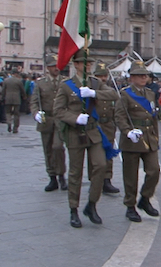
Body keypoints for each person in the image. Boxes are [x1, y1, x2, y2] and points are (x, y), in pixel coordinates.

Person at [53, 49, 118, 228]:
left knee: (100, 165)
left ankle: (92, 204)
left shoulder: (95, 83)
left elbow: (113, 94)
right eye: (85, 63)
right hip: (75, 133)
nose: (88, 65)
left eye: (90, 63)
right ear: (76, 65)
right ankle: (73, 209)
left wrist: (94, 94)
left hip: (93, 132)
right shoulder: (66, 85)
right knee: (75, 173)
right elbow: (58, 110)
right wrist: (74, 118)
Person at [115, 61, 160, 222]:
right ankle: (130, 206)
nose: (144, 77)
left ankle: (145, 199)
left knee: (154, 170)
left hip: (148, 138)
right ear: (132, 77)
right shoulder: (125, 94)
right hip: (132, 140)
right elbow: (119, 116)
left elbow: (153, 116)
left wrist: (156, 136)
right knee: (130, 176)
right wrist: (128, 132)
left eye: (145, 75)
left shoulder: (150, 94)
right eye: (140, 75)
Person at [30, 54, 67, 192]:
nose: (56, 68)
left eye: (57, 66)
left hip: (60, 120)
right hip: (46, 120)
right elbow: (34, 101)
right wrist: (36, 113)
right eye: (53, 66)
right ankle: (52, 177)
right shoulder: (41, 83)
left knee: (58, 147)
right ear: (48, 68)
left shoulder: (65, 81)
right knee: (48, 149)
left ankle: (62, 175)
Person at [93, 62, 120, 194]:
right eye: (100, 76)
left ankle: (107, 180)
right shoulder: (91, 91)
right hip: (95, 125)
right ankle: (95, 180)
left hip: (108, 125)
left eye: (104, 76)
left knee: (108, 153)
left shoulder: (110, 90)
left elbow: (116, 104)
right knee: (94, 154)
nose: (103, 79)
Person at [1, 68, 27, 133]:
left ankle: (9, 123)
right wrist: (24, 96)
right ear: (16, 74)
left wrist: (2, 97)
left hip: (8, 98)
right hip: (16, 98)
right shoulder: (19, 81)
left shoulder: (6, 80)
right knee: (16, 114)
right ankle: (15, 128)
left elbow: (3, 90)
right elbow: (22, 90)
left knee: (8, 112)